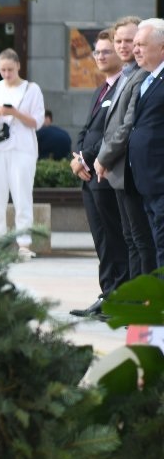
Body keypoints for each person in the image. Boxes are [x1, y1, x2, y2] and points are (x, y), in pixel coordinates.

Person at [73, 29, 133, 316]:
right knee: (100, 239)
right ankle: (107, 293)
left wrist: (86, 157)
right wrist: (77, 157)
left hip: (106, 174)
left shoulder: (124, 85)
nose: (100, 56)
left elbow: (113, 132)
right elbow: (86, 129)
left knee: (114, 237)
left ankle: (119, 296)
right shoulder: (102, 88)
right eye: (97, 52)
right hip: (88, 174)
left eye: (106, 51)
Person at [97, 17, 156, 279]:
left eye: (131, 41)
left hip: (131, 170)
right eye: (118, 41)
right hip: (119, 171)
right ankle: (132, 302)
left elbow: (128, 125)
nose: (125, 46)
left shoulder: (144, 75)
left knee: (141, 240)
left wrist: (102, 158)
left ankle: (143, 304)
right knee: (130, 237)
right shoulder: (126, 74)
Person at [0, 49, 44, 257]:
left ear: (18, 67)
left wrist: (15, 112)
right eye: (2, 70)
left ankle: (24, 244)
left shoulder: (32, 89)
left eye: (10, 69)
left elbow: (37, 122)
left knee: (22, 197)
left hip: (22, 149)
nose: (6, 74)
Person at [111, 18, 164, 265]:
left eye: (141, 44)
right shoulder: (148, 79)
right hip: (145, 182)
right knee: (153, 243)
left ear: (162, 47)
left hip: (159, 180)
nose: (135, 50)